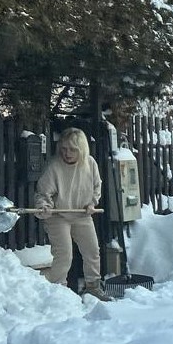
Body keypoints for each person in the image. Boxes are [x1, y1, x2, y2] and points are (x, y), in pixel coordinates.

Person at [35, 127, 111, 301]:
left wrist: (92, 203)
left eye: (72, 149)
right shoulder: (54, 167)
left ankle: (93, 286)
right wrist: (44, 206)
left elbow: (96, 187)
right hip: (58, 216)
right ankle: (58, 291)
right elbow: (43, 193)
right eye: (64, 148)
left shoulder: (90, 163)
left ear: (81, 149)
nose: (67, 153)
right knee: (64, 254)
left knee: (92, 250)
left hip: (82, 214)